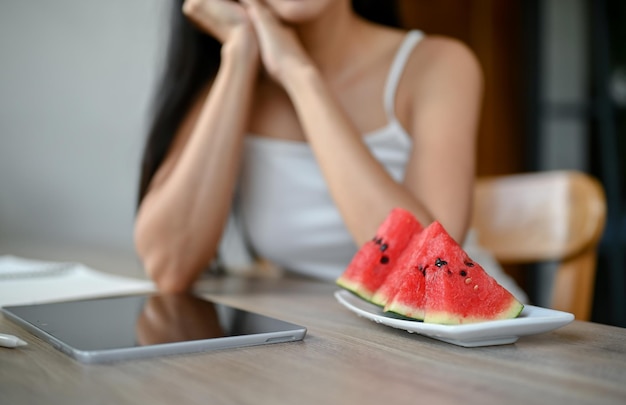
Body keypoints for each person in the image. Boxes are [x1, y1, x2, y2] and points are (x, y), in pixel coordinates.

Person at [134, 0, 527, 302]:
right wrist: (239, 53)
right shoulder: (228, 88)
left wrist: (299, 75)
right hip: (336, 348)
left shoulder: (436, 65)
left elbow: (424, 271)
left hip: (458, 342)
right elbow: (169, 265)